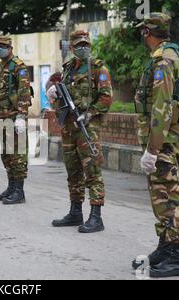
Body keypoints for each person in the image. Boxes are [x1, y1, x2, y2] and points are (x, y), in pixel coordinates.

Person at [132, 12, 179, 278]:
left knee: (169, 196)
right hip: (164, 139)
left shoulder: (163, 60)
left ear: (148, 32)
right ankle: (166, 245)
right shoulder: (169, 54)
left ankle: (177, 256)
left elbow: (162, 107)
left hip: (162, 141)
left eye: (143, 31)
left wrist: (152, 149)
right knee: (161, 195)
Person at [46, 30, 113, 233]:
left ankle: (96, 217)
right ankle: (76, 212)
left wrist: (89, 114)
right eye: (79, 45)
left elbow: (106, 98)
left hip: (87, 128)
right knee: (73, 171)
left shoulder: (98, 68)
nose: (83, 48)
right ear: (72, 48)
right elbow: (62, 95)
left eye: (86, 44)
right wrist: (53, 94)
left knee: (92, 171)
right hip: (68, 127)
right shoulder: (68, 69)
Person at [0, 36, 32, 205]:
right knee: (6, 154)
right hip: (2, 116)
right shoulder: (0, 67)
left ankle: (19, 191)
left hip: (15, 117)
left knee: (18, 155)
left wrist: (21, 116)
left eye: (3, 46)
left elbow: (24, 92)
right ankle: (11, 186)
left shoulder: (18, 67)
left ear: (10, 47)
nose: (0, 49)